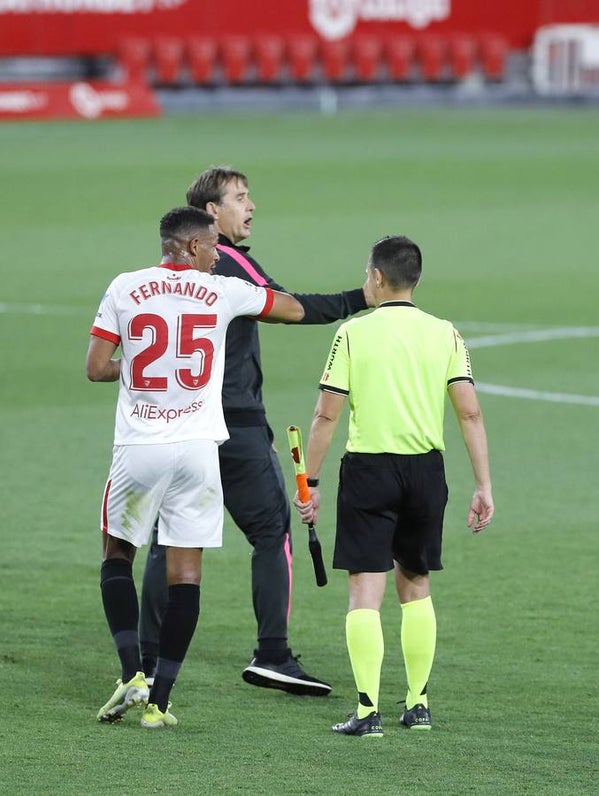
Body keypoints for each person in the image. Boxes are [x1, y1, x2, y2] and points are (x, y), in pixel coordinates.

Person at [139, 166, 371, 697]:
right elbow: (292, 309)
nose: (252, 205)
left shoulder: (162, 275)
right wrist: (362, 299)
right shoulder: (230, 261)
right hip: (234, 425)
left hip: (178, 425)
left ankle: (146, 658)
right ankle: (273, 655)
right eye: (240, 197)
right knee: (273, 533)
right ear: (211, 215)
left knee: (166, 542)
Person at [89, 206, 304, 728]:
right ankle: (160, 703)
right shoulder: (223, 291)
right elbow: (292, 310)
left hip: (141, 445)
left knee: (118, 554)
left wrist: (141, 364)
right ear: (188, 246)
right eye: (211, 248)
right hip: (199, 452)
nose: (217, 258)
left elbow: (96, 368)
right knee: (187, 576)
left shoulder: (125, 285)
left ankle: (130, 676)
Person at [293, 235, 494, 737]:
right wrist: (483, 485)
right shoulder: (445, 333)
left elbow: (325, 413)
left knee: (365, 589)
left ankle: (366, 712)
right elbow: (469, 411)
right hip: (427, 472)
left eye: (367, 275)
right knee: (417, 585)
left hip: (370, 471)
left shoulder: (353, 334)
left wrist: (310, 482)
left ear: (379, 278)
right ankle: (418, 704)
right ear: (417, 279)